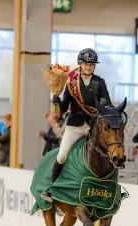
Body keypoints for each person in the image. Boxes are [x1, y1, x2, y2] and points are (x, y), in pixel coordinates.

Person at [42, 48, 112, 200]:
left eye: (92, 65)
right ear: (80, 64)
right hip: (75, 125)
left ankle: (112, 188)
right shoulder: (70, 83)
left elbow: (108, 104)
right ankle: (50, 189)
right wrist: (57, 101)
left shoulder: (100, 82)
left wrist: (105, 105)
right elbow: (62, 108)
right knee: (62, 155)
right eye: (86, 64)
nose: (89, 67)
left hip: (93, 125)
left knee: (110, 151)